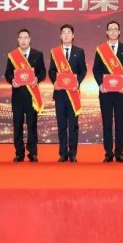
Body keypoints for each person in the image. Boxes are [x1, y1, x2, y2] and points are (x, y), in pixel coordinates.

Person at [92, 20, 123, 163]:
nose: (113, 31)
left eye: (116, 29)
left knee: (120, 124)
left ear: (119, 32)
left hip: (120, 92)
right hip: (105, 93)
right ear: (107, 32)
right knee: (107, 123)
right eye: (110, 29)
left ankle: (119, 153)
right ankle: (108, 153)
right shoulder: (101, 49)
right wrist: (100, 84)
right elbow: (96, 70)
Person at [5, 28, 46, 163]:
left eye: (25, 37)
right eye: (21, 38)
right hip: (17, 96)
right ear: (18, 40)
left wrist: (37, 79)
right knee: (17, 125)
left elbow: (42, 71)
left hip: (32, 96)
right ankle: (19, 153)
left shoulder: (37, 54)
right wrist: (12, 80)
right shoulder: (12, 56)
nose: (23, 40)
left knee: (32, 125)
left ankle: (33, 153)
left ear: (29, 39)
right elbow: (8, 73)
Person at [48, 24, 87, 162]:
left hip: (73, 94)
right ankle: (63, 153)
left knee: (73, 125)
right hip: (60, 94)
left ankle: (73, 153)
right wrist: (55, 82)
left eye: (69, 32)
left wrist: (78, 82)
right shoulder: (55, 52)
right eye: (63, 32)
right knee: (62, 125)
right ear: (60, 36)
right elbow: (51, 70)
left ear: (73, 35)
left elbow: (83, 70)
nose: (66, 35)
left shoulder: (79, 52)